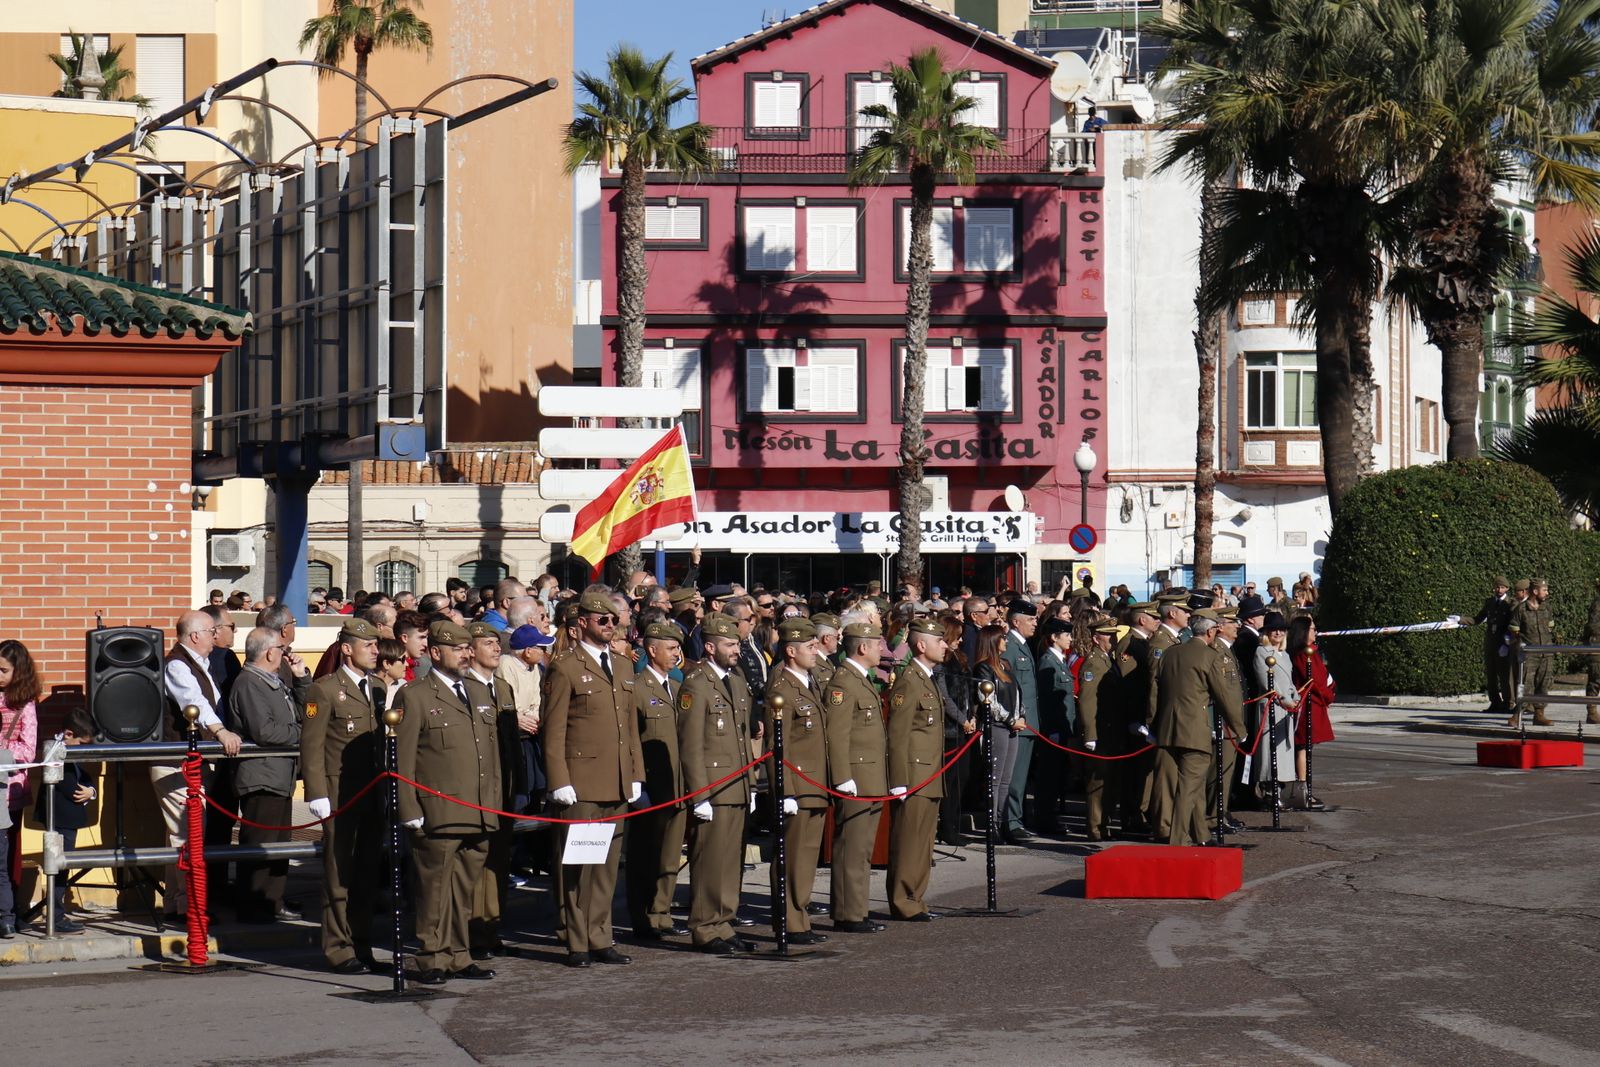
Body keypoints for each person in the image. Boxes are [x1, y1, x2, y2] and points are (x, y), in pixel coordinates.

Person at [396, 621, 503, 984]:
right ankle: (432, 957)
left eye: (467, 648)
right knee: (435, 889)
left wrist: (493, 804)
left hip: (477, 809)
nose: (466, 654)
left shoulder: (477, 692)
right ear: (436, 653)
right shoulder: (416, 695)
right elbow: (404, 760)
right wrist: (408, 808)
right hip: (437, 811)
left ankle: (459, 954)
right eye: (457, 649)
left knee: (464, 890)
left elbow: (491, 756)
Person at [543, 591, 645, 968]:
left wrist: (635, 772)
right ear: (582, 622)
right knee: (578, 866)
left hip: (616, 779)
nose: (610, 626)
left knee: (605, 866)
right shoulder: (565, 666)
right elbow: (552, 731)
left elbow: (629, 727)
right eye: (602, 620)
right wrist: (559, 779)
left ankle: (601, 935)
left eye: (613, 621)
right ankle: (577, 939)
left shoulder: (622, 666)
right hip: (581, 781)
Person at [679, 614, 757, 955]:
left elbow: (741, 739)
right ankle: (705, 926)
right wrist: (699, 794)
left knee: (730, 862)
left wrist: (751, 784)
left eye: (737, 643)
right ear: (710, 647)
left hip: (736, 783)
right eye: (728, 644)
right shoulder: (696, 684)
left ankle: (724, 922)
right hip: (712, 785)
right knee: (709, 860)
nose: (735, 649)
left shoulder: (737, 680)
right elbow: (691, 743)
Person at [158, 613, 242, 920]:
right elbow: (193, 703)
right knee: (187, 834)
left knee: (179, 834)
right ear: (195, 636)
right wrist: (221, 732)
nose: (215, 635)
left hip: (190, 762)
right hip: (174, 763)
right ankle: (190, 907)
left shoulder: (200, 664)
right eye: (211, 630)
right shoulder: (178, 665)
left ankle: (175, 903)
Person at [229, 627, 306, 923]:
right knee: (260, 844)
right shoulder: (250, 682)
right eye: (283, 649)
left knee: (278, 845)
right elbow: (265, 731)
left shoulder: (273, 680)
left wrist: (302, 679)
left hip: (280, 774)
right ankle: (255, 907)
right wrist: (301, 734)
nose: (287, 655)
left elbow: (304, 712)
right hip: (261, 775)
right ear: (270, 652)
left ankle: (273, 901)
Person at [1152, 611, 1245, 846]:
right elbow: (1225, 696)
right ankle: (1179, 840)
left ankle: (1201, 834)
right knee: (1189, 788)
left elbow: (1155, 690)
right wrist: (1238, 727)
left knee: (1192, 784)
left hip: (1167, 728)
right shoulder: (1210, 656)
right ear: (1212, 631)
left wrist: (1153, 724)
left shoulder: (1170, 653)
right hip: (1194, 728)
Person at [764, 618, 830, 945]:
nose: (815, 651)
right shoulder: (782, 689)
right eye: (809, 647)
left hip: (816, 784)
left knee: (806, 859)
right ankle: (789, 921)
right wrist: (786, 790)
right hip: (798, 785)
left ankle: (799, 917)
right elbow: (779, 746)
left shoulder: (808, 681)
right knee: (792, 857)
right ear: (791, 651)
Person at [823, 620, 890, 934]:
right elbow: (836, 735)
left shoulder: (861, 679)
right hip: (855, 777)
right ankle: (848, 912)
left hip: (871, 776)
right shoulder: (844, 682)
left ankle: (857, 909)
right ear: (863, 647)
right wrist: (842, 776)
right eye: (877, 643)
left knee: (862, 848)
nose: (881, 648)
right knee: (851, 847)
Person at [625, 623, 690, 942]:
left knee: (669, 855)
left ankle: (661, 913)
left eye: (678, 648)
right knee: (645, 855)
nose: (677, 654)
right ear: (652, 651)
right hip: (650, 787)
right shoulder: (638, 688)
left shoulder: (677, 689)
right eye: (671, 648)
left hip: (676, 786)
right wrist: (636, 784)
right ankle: (641, 916)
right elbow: (630, 738)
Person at [886, 619, 948, 921]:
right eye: (940, 641)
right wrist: (899, 781)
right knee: (909, 842)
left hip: (930, 774)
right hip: (913, 776)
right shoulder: (909, 681)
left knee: (924, 843)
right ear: (922, 645)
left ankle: (916, 898)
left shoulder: (927, 677)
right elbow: (897, 734)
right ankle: (903, 899)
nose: (946, 645)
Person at [32, 705, 99, 933]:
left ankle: (57, 912)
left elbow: (86, 778)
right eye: (81, 743)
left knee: (62, 866)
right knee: (59, 867)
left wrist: (92, 791)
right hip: (61, 816)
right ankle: (56, 915)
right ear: (69, 734)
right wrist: (86, 791)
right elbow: (70, 785)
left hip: (67, 816)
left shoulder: (69, 749)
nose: (83, 749)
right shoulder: (57, 749)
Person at [0, 639, 40, 912]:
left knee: (10, 851)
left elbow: (29, 749)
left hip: (10, 787)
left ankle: (10, 910)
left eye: (3, 670)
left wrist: (3, 748)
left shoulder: (25, 703)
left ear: (19, 671)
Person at [971, 626, 1021, 841]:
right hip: (996, 727)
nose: (1006, 641)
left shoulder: (1006, 665)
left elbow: (1017, 693)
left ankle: (1001, 823)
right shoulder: (984, 668)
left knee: (1006, 779)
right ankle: (991, 826)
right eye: (1002, 638)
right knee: (995, 778)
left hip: (1012, 727)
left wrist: (1021, 716)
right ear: (992, 640)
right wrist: (1010, 719)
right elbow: (987, 701)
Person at [1249, 612, 1300, 806]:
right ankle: (1269, 790)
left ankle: (1279, 788)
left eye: (1281, 629)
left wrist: (1296, 696)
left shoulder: (1284, 655)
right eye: (1273, 629)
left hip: (1286, 707)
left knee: (1283, 750)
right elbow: (1267, 683)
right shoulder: (1262, 652)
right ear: (1266, 632)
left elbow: (1288, 681)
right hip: (1272, 705)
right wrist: (1284, 699)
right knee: (1270, 750)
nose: (1277, 633)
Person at [1076, 619, 1120, 840]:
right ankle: (1095, 827)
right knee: (1098, 782)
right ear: (1096, 638)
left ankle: (1104, 824)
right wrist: (1090, 733)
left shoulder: (1106, 660)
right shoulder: (1093, 663)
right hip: (1100, 730)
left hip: (1110, 729)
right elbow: (1087, 701)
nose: (1113, 639)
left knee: (1109, 781)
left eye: (1114, 635)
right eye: (1108, 635)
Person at [1000, 599, 1040, 841]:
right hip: (1019, 723)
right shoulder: (1011, 648)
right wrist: (1016, 716)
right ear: (1016, 622)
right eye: (1030, 619)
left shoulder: (1023, 645)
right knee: (1014, 778)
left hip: (1029, 723)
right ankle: (1010, 822)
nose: (1035, 623)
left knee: (1022, 776)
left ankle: (1017, 818)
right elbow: (1008, 688)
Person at [935, 616, 975, 847]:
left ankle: (953, 823)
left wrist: (972, 715)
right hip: (951, 729)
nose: (960, 641)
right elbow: (944, 696)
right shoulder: (942, 664)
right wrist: (962, 720)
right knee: (950, 781)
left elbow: (967, 692)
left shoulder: (960, 659)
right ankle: (947, 827)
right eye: (957, 636)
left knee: (963, 777)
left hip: (965, 726)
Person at [1288, 615, 1335, 811]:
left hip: (1316, 703)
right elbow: (1314, 681)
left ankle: (1304, 788)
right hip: (1309, 704)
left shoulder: (1310, 652)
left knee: (1307, 748)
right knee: (1303, 748)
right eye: (1312, 629)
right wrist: (1327, 695)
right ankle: (1302, 791)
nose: (1315, 632)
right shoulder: (1302, 654)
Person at [1507, 578, 1557, 728]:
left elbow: (1550, 626)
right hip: (1530, 653)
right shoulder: (1521, 609)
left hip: (1546, 652)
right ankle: (1517, 714)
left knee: (1543, 684)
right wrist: (1523, 643)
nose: (1547, 593)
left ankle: (1539, 714)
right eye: (1544, 590)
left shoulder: (1546, 608)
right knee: (1525, 684)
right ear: (1535, 591)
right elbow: (1514, 628)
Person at [1586, 578, 1600, 727]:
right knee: (1596, 679)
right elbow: (1593, 626)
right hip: (1597, 646)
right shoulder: (1598, 604)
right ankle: (1591, 712)